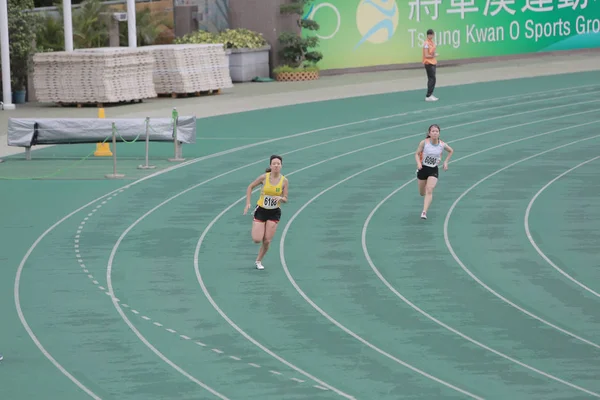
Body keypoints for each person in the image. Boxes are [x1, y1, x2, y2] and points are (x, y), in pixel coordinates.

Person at [243, 155, 288, 270]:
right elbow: (250, 187)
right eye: (274, 164)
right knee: (257, 239)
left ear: (281, 166)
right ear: (270, 165)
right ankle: (257, 226)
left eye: (278, 164)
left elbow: (285, 198)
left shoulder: (284, 181)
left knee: (267, 240)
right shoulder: (264, 177)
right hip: (262, 210)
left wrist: (281, 199)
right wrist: (248, 202)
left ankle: (258, 261)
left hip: (274, 212)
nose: (276, 166)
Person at [415, 124, 453, 219]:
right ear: (429, 133)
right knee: (422, 193)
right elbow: (416, 154)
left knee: (430, 189)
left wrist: (446, 162)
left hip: (433, 169)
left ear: (439, 133)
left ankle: (424, 212)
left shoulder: (442, 144)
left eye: (437, 131)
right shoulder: (424, 143)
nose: (435, 133)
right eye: (433, 131)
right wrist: (419, 163)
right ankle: (421, 182)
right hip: (423, 169)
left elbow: (451, 151)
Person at [423, 28, 438, 102]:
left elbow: (432, 52)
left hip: (433, 62)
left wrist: (434, 54)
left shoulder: (432, 43)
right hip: (428, 63)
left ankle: (430, 94)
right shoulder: (426, 43)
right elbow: (426, 55)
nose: (430, 36)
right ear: (427, 35)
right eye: (429, 35)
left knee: (433, 79)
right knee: (431, 79)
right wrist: (433, 56)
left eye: (431, 34)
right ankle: (428, 96)